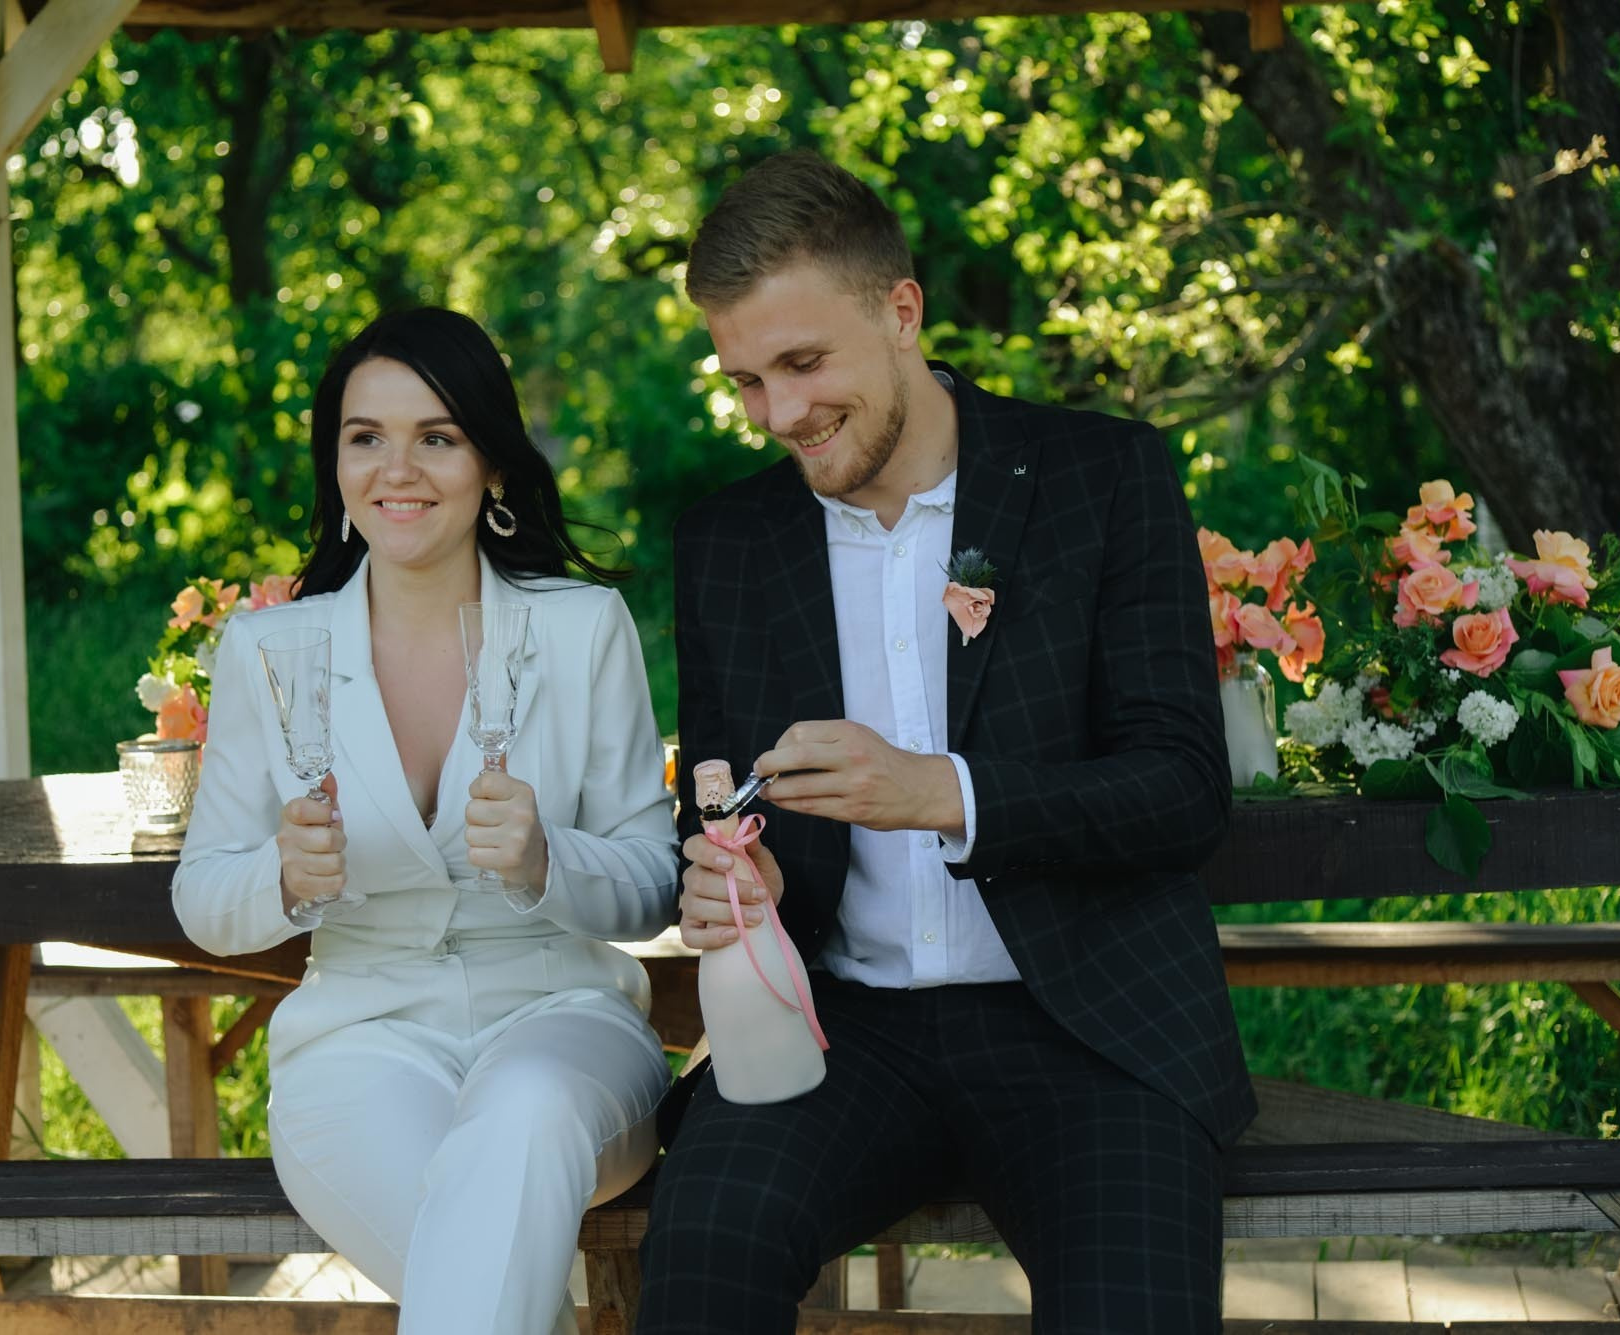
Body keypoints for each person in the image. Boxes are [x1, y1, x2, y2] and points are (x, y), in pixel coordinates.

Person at [640, 151, 1256, 1333]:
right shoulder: (726, 540)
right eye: (745, 381)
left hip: (1088, 1025)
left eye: (803, 363)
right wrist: (732, 876)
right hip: (837, 1034)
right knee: (701, 1271)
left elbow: (1180, 788)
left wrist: (940, 792)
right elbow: (718, 804)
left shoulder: (1100, 475)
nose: (778, 415)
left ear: (902, 310)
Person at [173, 307, 677, 1335]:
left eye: (435, 437)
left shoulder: (582, 630)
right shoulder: (269, 650)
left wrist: (547, 861)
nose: (396, 469)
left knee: (524, 1117)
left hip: (565, 1022)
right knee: (485, 1285)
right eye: (365, 438)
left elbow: (651, 879)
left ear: (491, 463)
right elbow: (202, 901)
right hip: (360, 1040)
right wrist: (281, 876)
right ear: (336, 463)